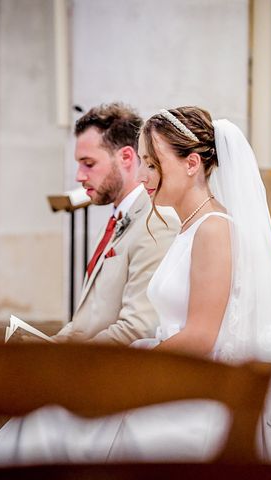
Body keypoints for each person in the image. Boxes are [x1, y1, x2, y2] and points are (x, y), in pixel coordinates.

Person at [0, 106, 271, 469]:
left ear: (191, 164)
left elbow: (202, 337)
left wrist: (129, 370)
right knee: (43, 421)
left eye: (153, 165)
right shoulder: (191, 225)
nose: (142, 176)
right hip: (173, 377)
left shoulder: (213, 229)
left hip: (195, 394)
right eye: (142, 163)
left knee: (49, 426)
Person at [51, 103, 179, 345]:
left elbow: (138, 328)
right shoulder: (114, 221)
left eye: (88, 163)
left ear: (126, 157)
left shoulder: (157, 222)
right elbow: (89, 318)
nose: (79, 175)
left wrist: (67, 363)